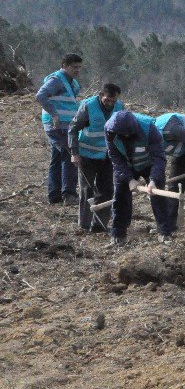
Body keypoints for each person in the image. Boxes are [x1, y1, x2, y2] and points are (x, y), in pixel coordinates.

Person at [105, 111, 170, 245]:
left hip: (149, 163)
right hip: (125, 165)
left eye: (127, 134)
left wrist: (153, 180)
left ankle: (164, 232)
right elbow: (115, 157)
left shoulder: (149, 128)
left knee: (158, 196)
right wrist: (129, 179)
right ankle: (118, 234)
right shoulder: (110, 129)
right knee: (120, 197)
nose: (125, 137)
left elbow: (159, 157)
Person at [68, 83, 123, 232]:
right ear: (101, 96)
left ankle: (100, 225)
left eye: (113, 101)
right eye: (107, 100)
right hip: (87, 155)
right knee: (87, 189)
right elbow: (73, 129)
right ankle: (84, 225)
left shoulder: (119, 107)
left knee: (106, 190)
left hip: (107, 156)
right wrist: (74, 153)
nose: (110, 104)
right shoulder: (87, 106)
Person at [35, 53, 82, 205]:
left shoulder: (72, 83)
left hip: (66, 126)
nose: (77, 70)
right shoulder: (56, 80)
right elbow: (40, 95)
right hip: (57, 126)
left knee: (57, 159)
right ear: (64, 66)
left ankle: (54, 196)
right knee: (70, 156)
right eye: (74, 67)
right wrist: (54, 114)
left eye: (79, 67)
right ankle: (69, 194)